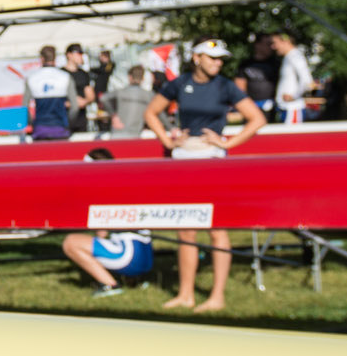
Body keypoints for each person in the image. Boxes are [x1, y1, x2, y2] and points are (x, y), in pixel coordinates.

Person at [144, 40, 267, 312]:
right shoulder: (180, 83)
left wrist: (227, 143)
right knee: (186, 228)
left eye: (221, 59)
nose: (218, 63)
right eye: (213, 58)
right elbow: (151, 113)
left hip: (212, 162)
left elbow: (256, 118)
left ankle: (216, 297)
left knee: (216, 228)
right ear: (197, 57)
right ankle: (185, 294)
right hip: (183, 161)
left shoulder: (225, 86)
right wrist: (168, 140)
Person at [61, 227, 151, 297]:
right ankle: (135, 281)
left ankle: (110, 285)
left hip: (126, 257)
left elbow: (101, 233)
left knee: (70, 242)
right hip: (147, 257)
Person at [26, 45, 74, 141]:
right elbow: (75, 106)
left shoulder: (32, 78)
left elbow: (24, 107)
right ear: (55, 57)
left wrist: (33, 123)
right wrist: (67, 123)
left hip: (40, 130)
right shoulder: (65, 77)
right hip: (61, 130)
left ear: (42, 58)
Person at [271, 31, 314, 124]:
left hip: (293, 108)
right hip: (287, 108)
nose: (273, 47)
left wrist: (294, 96)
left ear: (286, 41)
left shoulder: (295, 56)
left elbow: (308, 81)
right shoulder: (289, 57)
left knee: (291, 138)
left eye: (275, 43)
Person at [108, 63, 155, 131]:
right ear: (143, 78)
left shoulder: (122, 92)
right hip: (137, 127)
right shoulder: (148, 94)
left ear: (129, 77)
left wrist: (113, 115)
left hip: (126, 128)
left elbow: (104, 99)